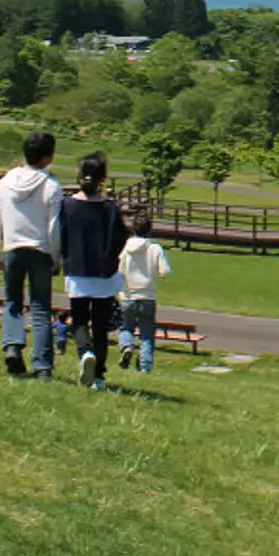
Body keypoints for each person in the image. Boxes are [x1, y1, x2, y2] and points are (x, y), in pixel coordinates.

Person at [0, 131, 64, 380]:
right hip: (39, 249)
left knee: (12, 301)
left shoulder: (7, 181)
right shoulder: (51, 185)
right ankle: (42, 366)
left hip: (12, 248)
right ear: (47, 157)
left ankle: (12, 346)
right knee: (41, 308)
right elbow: (53, 226)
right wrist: (56, 256)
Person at [60, 152, 129, 389]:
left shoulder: (67, 205)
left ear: (78, 176)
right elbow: (121, 238)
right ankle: (98, 375)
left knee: (79, 319)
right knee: (101, 326)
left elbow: (61, 235)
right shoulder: (110, 209)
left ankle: (84, 352)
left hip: (77, 270)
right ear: (104, 178)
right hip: (104, 274)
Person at [116, 209, 173, 373]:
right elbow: (165, 271)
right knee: (147, 334)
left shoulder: (126, 248)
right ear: (149, 229)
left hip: (127, 295)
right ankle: (145, 366)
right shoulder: (155, 248)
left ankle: (127, 346)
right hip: (147, 295)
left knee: (126, 327)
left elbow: (119, 270)